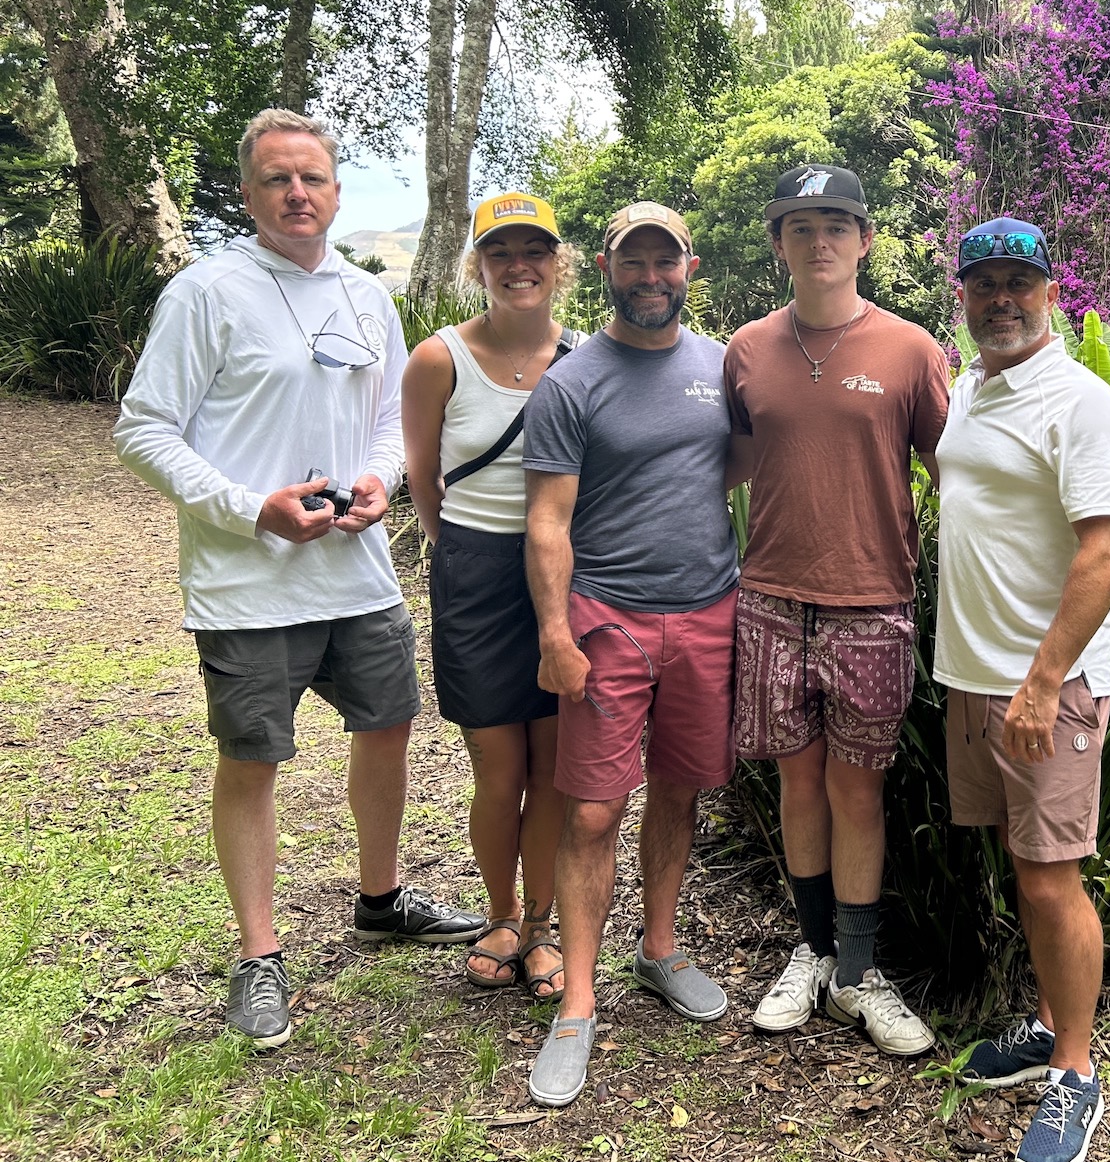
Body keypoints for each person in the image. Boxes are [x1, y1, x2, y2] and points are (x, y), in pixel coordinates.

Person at [114, 108, 485, 1052]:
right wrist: (250, 507)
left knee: (388, 729)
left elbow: (392, 425)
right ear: (248, 193)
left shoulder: (367, 297)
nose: (296, 194)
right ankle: (259, 955)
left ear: (335, 188)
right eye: (278, 178)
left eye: (312, 177)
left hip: (356, 576)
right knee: (253, 760)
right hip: (248, 580)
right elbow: (144, 428)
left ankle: (380, 897)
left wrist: (380, 482)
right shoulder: (206, 292)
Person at [520, 202, 741, 1109]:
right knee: (590, 814)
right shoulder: (572, 383)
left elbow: (727, 469)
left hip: (707, 617)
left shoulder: (725, 366)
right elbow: (547, 521)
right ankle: (577, 1003)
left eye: (666, 261)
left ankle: (658, 949)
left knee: (680, 792)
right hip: (605, 621)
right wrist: (555, 634)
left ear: (689, 265)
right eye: (633, 261)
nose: (651, 276)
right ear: (605, 266)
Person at [725, 165, 948, 1055]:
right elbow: (730, 468)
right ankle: (811, 951)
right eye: (802, 225)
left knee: (859, 789)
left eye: (838, 225)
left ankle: (858, 972)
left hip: (873, 603)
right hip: (772, 599)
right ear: (780, 244)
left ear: (863, 241)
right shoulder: (745, 349)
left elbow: (959, 472)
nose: (821, 240)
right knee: (797, 779)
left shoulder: (911, 350)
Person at [935, 218, 1110, 1162]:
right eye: (986, 283)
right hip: (974, 678)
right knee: (1025, 867)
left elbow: (1107, 552)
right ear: (964, 292)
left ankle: (1076, 1074)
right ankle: (1050, 1020)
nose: (1003, 299)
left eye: (1022, 282)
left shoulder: (1081, 403)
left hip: (1042, 688)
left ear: (1053, 293)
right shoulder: (970, 391)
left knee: (1053, 877)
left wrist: (1043, 682)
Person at [403, 192, 586, 1003]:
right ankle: (502, 913)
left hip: (565, 577)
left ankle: (542, 926)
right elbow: (421, 479)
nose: (520, 266)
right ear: (477, 265)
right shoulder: (438, 358)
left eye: (535, 250)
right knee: (498, 769)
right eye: (501, 251)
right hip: (475, 574)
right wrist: (464, 553)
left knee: (552, 769)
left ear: (559, 264)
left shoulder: (584, 359)